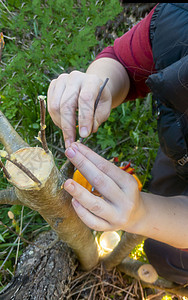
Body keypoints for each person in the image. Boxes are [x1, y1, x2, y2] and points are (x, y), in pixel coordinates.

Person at [47, 3, 188, 284]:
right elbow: (123, 61)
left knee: (165, 255)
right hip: (181, 145)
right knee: (166, 183)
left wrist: (142, 214)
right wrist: (98, 85)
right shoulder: (179, 17)